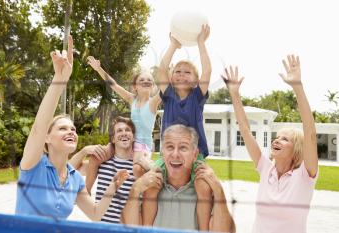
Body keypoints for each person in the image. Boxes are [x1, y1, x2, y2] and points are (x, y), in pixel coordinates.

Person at [15, 36, 129, 220]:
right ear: (47, 137)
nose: (71, 132)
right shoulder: (33, 165)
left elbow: (95, 214)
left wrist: (113, 186)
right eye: (62, 129)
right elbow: (39, 127)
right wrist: (59, 79)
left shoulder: (74, 179)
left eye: (73, 129)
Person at [223, 55, 318, 233]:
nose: (276, 140)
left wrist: (297, 87)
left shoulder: (305, 175)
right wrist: (235, 94)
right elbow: (244, 130)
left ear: (297, 149)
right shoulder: (266, 168)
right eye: (277, 136)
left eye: (285, 139)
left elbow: (310, 134)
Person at [145, 24, 212, 230]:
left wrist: (201, 43)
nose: (181, 74)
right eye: (178, 71)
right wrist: (173, 45)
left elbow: (208, 69)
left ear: (196, 80)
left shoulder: (197, 97)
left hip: (195, 154)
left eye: (187, 72)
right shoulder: (169, 96)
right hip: (169, 154)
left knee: (202, 186)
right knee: (150, 183)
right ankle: (146, 226)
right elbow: (162, 68)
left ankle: (202, 227)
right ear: (172, 78)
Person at [122, 124, 235, 233]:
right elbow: (128, 228)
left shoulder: (204, 187)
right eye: (170, 147)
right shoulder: (150, 185)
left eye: (183, 148)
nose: (175, 154)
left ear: (195, 154)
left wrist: (219, 190)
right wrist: (135, 189)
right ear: (163, 153)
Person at [86, 56, 161, 184]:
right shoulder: (133, 100)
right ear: (135, 87)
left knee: (138, 164)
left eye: (149, 80)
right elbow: (113, 85)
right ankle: (86, 192)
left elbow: (166, 91)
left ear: (153, 86)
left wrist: (168, 76)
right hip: (127, 140)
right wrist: (99, 69)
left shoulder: (153, 103)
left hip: (142, 145)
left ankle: (157, 169)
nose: (146, 81)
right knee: (97, 156)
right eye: (142, 79)